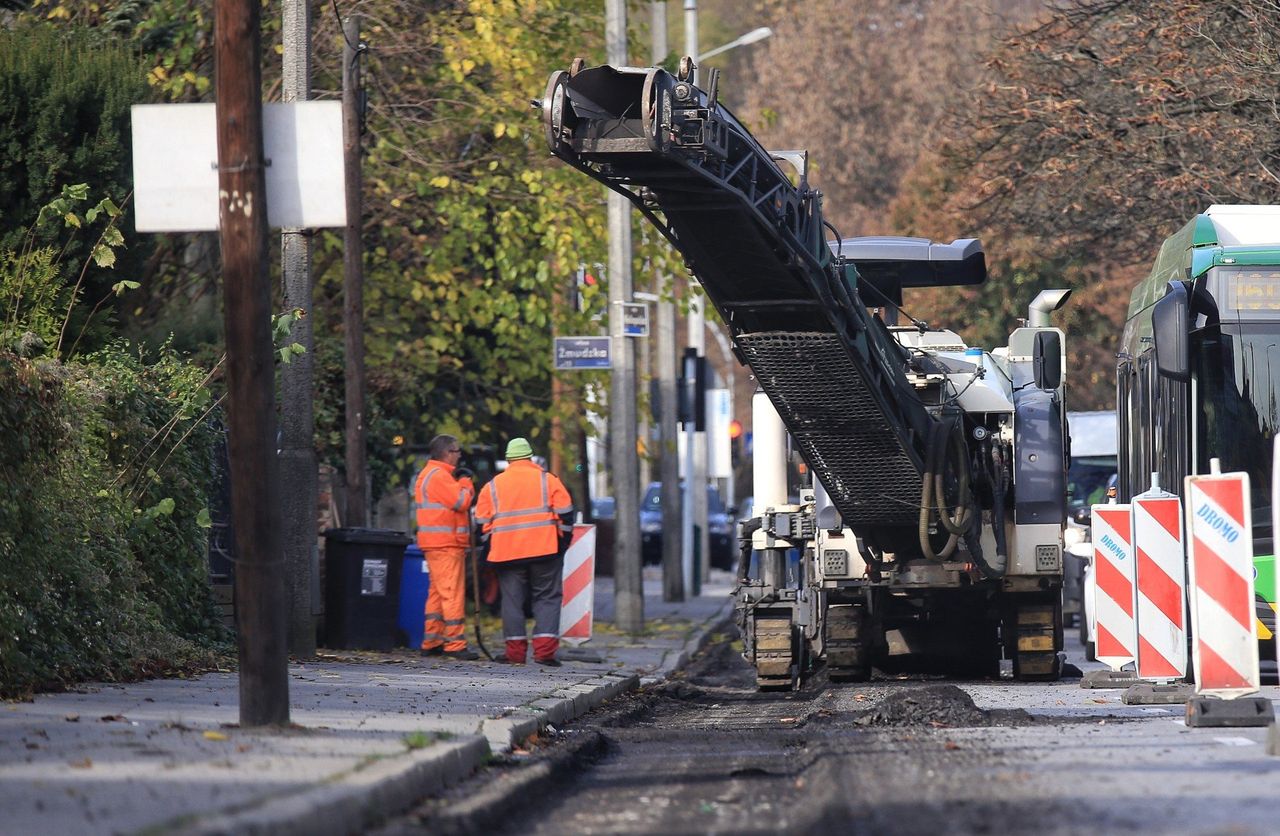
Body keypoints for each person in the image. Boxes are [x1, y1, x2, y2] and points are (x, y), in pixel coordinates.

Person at [474, 437, 574, 666]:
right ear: (530, 457)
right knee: (547, 597)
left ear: (509, 459)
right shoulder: (548, 481)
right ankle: (545, 653)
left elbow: (481, 525)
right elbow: (566, 514)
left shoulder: (492, 487)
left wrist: (491, 547)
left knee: (511, 600)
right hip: (546, 550)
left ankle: (515, 654)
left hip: (506, 554)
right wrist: (562, 543)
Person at [413, 434, 479, 660]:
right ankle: (455, 644)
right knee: (451, 593)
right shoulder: (439, 476)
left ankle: (432, 640)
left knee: (438, 594)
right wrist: (466, 482)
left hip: (437, 545)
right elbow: (462, 502)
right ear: (447, 453)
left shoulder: (430, 474)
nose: (460, 455)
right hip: (445, 545)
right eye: (457, 451)